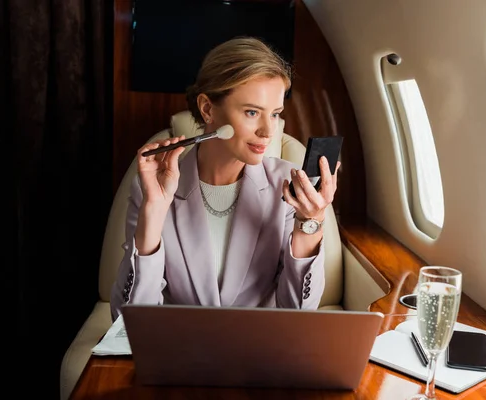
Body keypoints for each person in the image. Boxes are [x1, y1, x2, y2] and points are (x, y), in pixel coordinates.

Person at [110, 37, 340, 320]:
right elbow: (127, 322)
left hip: (259, 354)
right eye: (252, 112)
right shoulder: (154, 189)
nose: (268, 131)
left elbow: (298, 314)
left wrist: (311, 223)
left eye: (276, 114)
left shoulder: (287, 187)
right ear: (207, 109)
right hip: (183, 354)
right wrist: (154, 211)